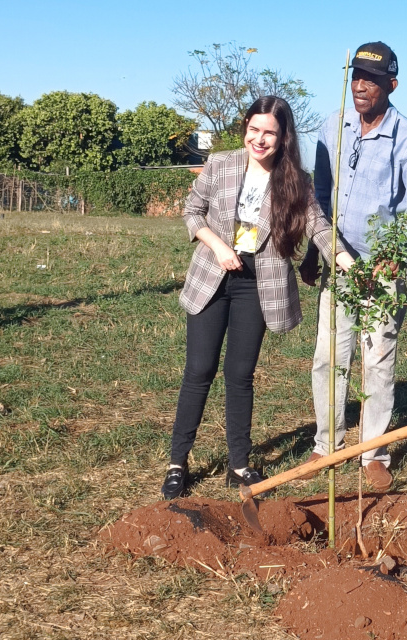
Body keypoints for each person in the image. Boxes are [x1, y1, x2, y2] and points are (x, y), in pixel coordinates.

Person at [162, 96, 354, 500]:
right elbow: (192, 210)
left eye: (269, 132)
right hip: (213, 276)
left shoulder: (295, 181)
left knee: (240, 376)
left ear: (283, 137)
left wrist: (346, 260)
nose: (260, 139)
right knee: (198, 371)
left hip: (256, 286)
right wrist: (218, 246)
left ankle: (239, 464)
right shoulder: (221, 164)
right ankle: (178, 464)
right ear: (245, 128)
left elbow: (319, 226)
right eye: (254, 129)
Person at [296, 42, 407, 491]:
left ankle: (372, 451)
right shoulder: (331, 128)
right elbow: (318, 199)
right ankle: (328, 443)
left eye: (372, 80)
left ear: (391, 85)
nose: (360, 85)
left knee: (378, 362)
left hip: (382, 272)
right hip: (338, 267)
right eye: (356, 76)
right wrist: (315, 252)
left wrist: (391, 260)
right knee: (329, 358)